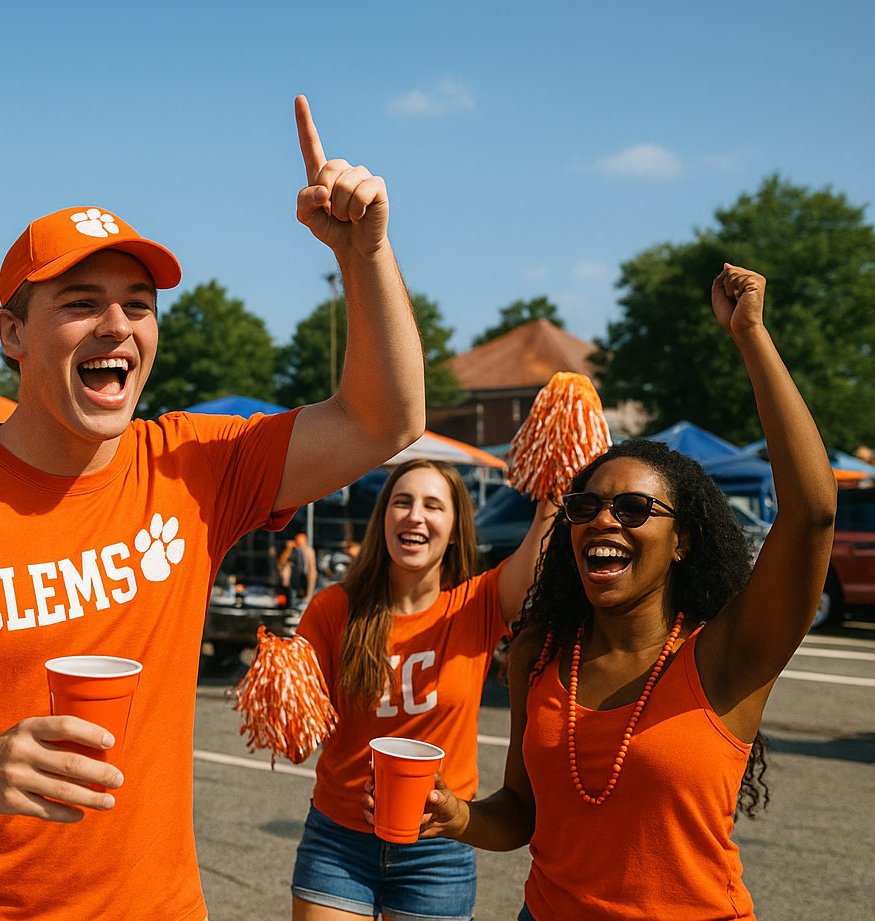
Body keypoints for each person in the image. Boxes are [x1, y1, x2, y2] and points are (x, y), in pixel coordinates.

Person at [0, 96, 428, 920]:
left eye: (139, 304)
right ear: (12, 333)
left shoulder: (194, 466)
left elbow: (388, 420)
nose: (117, 327)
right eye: (81, 302)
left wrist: (363, 254)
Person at [409, 265, 837, 921]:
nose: (605, 520)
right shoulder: (539, 650)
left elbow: (809, 511)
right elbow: (522, 811)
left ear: (684, 540)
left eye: (635, 507)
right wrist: (456, 813)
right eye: (587, 505)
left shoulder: (726, 654)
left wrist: (750, 336)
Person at [290, 458, 556, 921]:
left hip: (439, 848)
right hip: (338, 839)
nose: (415, 515)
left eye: (433, 506)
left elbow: (540, 555)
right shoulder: (334, 607)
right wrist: (279, 703)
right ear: (384, 519)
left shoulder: (478, 601)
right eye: (402, 502)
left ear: (454, 530)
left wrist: (553, 489)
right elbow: (297, 738)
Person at [287, 530, 318, 602]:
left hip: (306, 572)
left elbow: (312, 566)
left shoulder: (309, 551)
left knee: (312, 574)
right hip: (296, 573)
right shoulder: (294, 551)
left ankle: (309, 595)